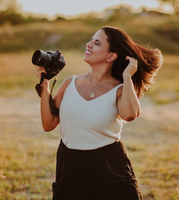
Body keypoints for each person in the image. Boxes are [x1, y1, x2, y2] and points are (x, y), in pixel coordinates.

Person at [35, 26, 163, 200]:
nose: (89, 45)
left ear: (111, 56)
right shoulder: (69, 83)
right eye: (91, 40)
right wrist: (45, 85)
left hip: (108, 166)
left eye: (96, 43)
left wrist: (127, 77)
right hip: (69, 165)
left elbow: (130, 114)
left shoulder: (119, 89)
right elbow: (48, 124)